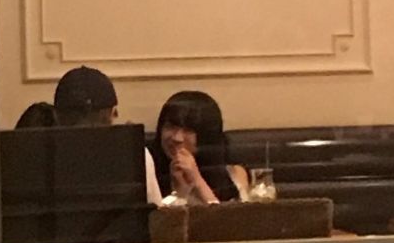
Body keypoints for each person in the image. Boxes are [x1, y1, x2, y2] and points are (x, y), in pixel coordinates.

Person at [52, 66, 163, 205]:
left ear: (56, 116)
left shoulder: (37, 155)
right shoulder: (135, 154)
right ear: (113, 113)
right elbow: (155, 212)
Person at [151, 91, 249, 204]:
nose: (177, 138)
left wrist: (196, 179)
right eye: (170, 127)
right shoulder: (148, 172)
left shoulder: (234, 173)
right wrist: (179, 193)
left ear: (207, 136)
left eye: (188, 130)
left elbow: (229, 215)